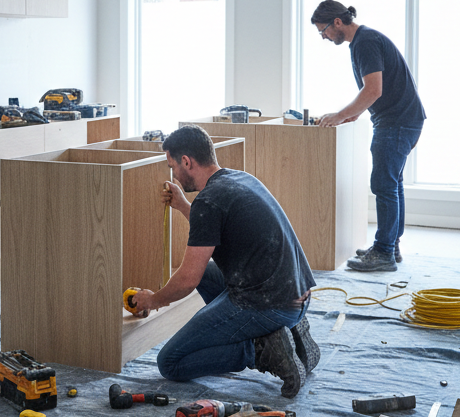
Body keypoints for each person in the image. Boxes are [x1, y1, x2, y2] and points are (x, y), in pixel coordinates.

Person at [128, 125, 319, 398]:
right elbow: (213, 229)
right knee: (207, 270)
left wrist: (153, 300)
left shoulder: (210, 201)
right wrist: (183, 205)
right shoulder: (239, 179)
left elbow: (187, 279)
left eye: (173, 166)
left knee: (170, 362)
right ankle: (287, 334)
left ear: (186, 161)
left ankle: (262, 350)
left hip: (270, 305)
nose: (174, 175)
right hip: (297, 297)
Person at [312, 0, 426, 272]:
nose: (324, 37)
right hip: (404, 119)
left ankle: (384, 252)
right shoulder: (365, 39)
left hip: (396, 122)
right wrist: (355, 113)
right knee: (392, 184)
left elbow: (373, 90)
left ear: (337, 22)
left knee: (383, 185)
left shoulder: (365, 42)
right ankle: (390, 247)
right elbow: (375, 92)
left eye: (323, 31)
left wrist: (341, 115)